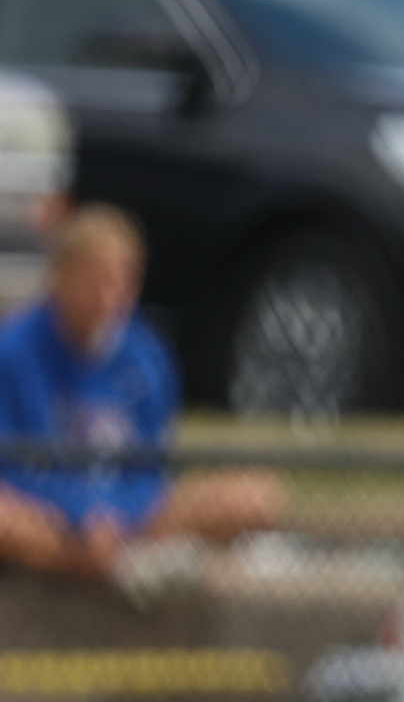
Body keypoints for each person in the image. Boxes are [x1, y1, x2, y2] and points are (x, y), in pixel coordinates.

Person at [0, 204, 285, 592]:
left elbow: (150, 471)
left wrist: (114, 515)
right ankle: (104, 565)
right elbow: (11, 468)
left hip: (129, 522)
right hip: (46, 520)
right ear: (60, 277)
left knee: (255, 497)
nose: (106, 298)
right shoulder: (13, 353)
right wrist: (83, 516)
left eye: (119, 283)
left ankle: (109, 561)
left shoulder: (148, 357)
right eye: (92, 282)